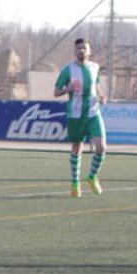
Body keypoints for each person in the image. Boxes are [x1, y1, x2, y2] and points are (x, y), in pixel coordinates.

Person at [54, 38, 107, 197]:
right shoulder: (67, 70)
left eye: (84, 48)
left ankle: (92, 176)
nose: (81, 51)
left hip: (93, 112)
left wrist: (101, 96)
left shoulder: (95, 67)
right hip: (75, 114)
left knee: (102, 146)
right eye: (78, 48)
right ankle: (75, 182)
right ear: (74, 51)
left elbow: (97, 86)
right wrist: (67, 89)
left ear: (89, 51)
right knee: (77, 148)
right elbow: (56, 92)